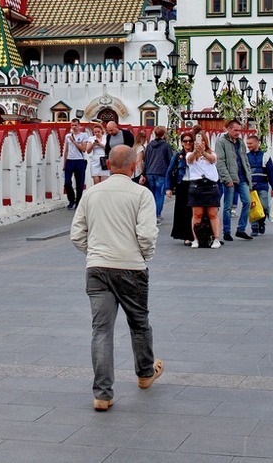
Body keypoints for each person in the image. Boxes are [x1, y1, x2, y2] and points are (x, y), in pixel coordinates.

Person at [70, 145, 161, 412]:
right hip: (131, 268)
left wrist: (95, 252)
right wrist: (144, 256)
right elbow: (146, 234)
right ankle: (145, 374)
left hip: (97, 269)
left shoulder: (91, 194)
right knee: (139, 323)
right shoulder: (141, 194)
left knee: (101, 331)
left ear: (108, 165)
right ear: (134, 166)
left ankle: (102, 394)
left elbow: (77, 234)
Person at [214, 120, 253, 241]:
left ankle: (241, 229)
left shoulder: (241, 142)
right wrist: (226, 178)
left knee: (247, 202)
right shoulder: (221, 142)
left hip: (242, 177)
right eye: (235, 130)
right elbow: (220, 162)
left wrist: (249, 177)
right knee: (228, 206)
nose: (238, 133)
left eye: (239, 130)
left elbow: (245, 159)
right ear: (228, 129)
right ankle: (227, 231)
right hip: (230, 178)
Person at [185, 131, 220, 248]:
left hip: (211, 185)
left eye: (202, 141)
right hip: (196, 186)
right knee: (197, 214)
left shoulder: (212, 153)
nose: (200, 143)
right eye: (198, 141)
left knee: (213, 214)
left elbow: (212, 159)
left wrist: (203, 152)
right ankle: (196, 239)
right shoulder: (190, 154)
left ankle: (216, 239)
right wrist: (196, 151)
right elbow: (189, 160)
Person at [142, 126, 174, 224]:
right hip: (161, 172)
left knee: (152, 195)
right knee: (159, 195)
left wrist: (144, 173)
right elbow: (171, 160)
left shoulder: (150, 145)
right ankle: (157, 215)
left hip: (150, 172)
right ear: (164, 134)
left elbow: (145, 160)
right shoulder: (166, 146)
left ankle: (152, 215)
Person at [246, 133, 273, 235]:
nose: (248, 145)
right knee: (252, 207)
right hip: (250, 187)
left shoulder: (265, 156)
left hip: (262, 185)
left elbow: (271, 173)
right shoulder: (246, 157)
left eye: (250, 143)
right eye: (247, 143)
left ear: (257, 143)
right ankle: (254, 227)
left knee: (264, 206)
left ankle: (261, 222)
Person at [168, 132, 195, 246]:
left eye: (190, 141)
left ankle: (198, 234)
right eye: (185, 141)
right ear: (182, 143)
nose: (187, 143)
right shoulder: (178, 155)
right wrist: (168, 188)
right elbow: (169, 171)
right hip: (183, 184)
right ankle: (187, 236)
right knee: (184, 211)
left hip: (195, 184)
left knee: (196, 211)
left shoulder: (197, 154)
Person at [63, 120, 92, 209]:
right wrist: (64, 163)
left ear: (79, 125)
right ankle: (71, 199)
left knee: (80, 183)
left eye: (76, 125)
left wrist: (74, 141)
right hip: (70, 160)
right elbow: (66, 150)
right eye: (72, 125)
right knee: (67, 182)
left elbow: (83, 149)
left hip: (79, 160)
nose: (74, 127)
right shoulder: (67, 136)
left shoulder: (84, 135)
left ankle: (78, 202)